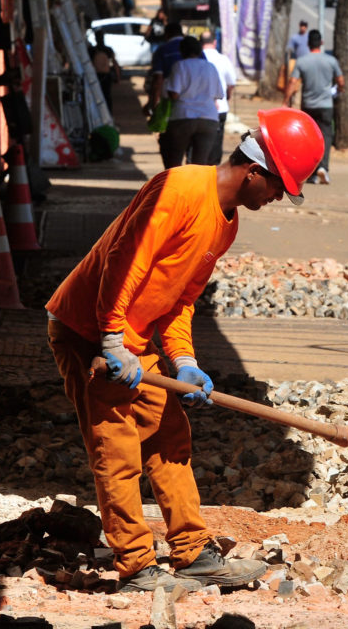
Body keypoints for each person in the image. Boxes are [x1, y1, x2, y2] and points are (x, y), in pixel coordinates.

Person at [46, 109, 325, 594]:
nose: (279, 196)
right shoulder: (177, 189)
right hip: (87, 329)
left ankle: (193, 553)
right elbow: (123, 262)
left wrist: (185, 361)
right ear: (254, 171)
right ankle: (135, 565)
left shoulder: (226, 223)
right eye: (279, 185)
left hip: (128, 338)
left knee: (170, 434)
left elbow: (180, 298)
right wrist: (110, 339)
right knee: (117, 448)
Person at [285, 30, 343, 184]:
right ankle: (323, 167)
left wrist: (286, 101)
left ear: (308, 44)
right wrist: (339, 90)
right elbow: (341, 80)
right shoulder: (331, 61)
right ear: (321, 43)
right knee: (326, 137)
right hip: (326, 105)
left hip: (308, 106)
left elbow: (292, 82)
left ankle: (311, 172)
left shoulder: (302, 61)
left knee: (309, 140)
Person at [161, 36, 224, 169]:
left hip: (183, 117)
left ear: (182, 51)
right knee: (200, 165)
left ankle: (175, 188)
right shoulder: (210, 67)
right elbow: (219, 94)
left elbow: (174, 94)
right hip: (208, 119)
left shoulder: (180, 66)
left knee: (174, 162)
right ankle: (195, 189)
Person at [200, 31, 238, 165]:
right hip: (220, 108)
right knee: (216, 143)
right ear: (215, 42)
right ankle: (213, 170)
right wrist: (228, 95)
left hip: (199, 109)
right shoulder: (223, 59)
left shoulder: (198, 59)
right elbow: (232, 82)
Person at [143, 22, 184, 120]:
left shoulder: (162, 50)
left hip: (170, 101)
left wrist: (152, 104)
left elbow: (158, 80)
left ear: (167, 34)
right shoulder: (196, 50)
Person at [89, 33, 120, 115]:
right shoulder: (97, 50)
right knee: (105, 96)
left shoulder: (97, 50)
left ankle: (106, 114)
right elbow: (115, 63)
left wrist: (117, 76)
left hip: (101, 76)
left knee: (104, 96)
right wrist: (118, 76)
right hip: (101, 76)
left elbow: (114, 63)